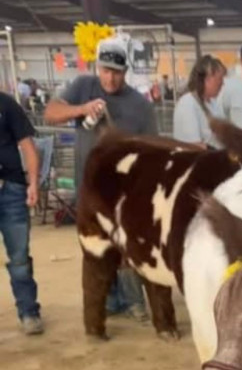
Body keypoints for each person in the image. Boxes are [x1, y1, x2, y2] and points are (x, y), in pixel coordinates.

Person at [44, 37, 158, 322]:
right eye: (106, 71)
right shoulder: (83, 86)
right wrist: (81, 109)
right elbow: (50, 113)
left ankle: (134, 301)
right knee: (95, 246)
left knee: (126, 245)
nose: (110, 78)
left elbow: (152, 149)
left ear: (125, 71)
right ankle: (108, 299)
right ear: (98, 68)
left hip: (124, 192)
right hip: (89, 189)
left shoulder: (141, 106)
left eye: (117, 72)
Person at [0, 90, 42, 334]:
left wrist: (33, 183)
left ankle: (29, 312)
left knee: (19, 257)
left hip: (11, 189)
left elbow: (27, 146)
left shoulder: (6, 104)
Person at [172, 55, 226, 147]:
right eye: (219, 79)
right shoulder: (187, 104)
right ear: (207, 79)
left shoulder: (213, 103)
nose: (222, 83)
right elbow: (193, 146)